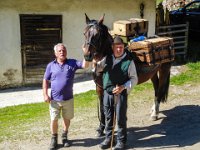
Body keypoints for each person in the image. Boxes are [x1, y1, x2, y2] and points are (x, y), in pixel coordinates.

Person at [43, 43, 90, 150]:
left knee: (67, 118)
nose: (62, 52)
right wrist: (45, 94)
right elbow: (45, 80)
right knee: (54, 119)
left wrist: (86, 54)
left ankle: (64, 136)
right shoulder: (51, 65)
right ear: (55, 53)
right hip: (54, 100)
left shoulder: (72, 63)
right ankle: (54, 139)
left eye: (63, 50)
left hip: (68, 99)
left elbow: (85, 65)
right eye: (59, 51)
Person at [96, 36, 138, 150]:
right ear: (112, 47)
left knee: (120, 118)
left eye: (121, 47)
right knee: (108, 116)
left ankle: (121, 141)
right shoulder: (107, 58)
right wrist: (95, 64)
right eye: (116, 47)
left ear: (123, 47)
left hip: (120, 94)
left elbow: (134, 79)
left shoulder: (129, 62)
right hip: (107, 93)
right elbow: (98, 68)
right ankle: (109, 138)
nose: (119, 49)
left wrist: (123, 87)